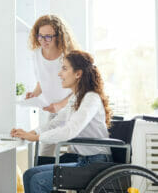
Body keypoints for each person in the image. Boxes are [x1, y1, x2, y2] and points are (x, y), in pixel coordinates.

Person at [11, 50, 113, 193]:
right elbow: (56, 122)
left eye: (64, 68)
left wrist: (36, 138)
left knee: (37, 181)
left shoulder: (91, 99)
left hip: (96, 165)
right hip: (83, 161)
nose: (60, 74)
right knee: (29, 174)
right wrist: (30, 133)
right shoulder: (77, 98)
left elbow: (70, 130)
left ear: (78, 74)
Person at [25, 14, 79, 157]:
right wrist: (34, 94)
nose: (43, 41)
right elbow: (42, 81)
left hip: (71, 108)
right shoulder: (36, 55)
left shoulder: (67, 56)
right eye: (40, 36)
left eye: (48, 36)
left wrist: (61, 104)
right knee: (45, 154)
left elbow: (79, 88)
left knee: (74, 151)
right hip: (53, 110)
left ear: (59, 36)